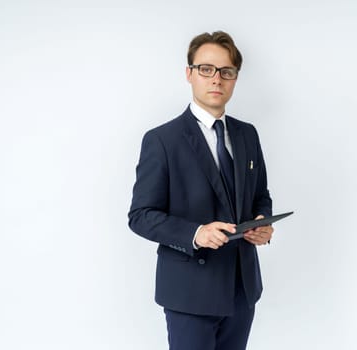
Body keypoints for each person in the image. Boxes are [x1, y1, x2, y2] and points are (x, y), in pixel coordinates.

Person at [128, 30, 273, 350]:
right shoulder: (162, 140)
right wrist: (196, 233)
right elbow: (140, 216)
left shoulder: (247, 135)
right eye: (206, 69)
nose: (216, 79)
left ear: (235, 78)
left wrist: (263, 221)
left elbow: (260, 194)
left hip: (242, 288)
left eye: (226, 72)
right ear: (189, 74)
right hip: (190, 291)